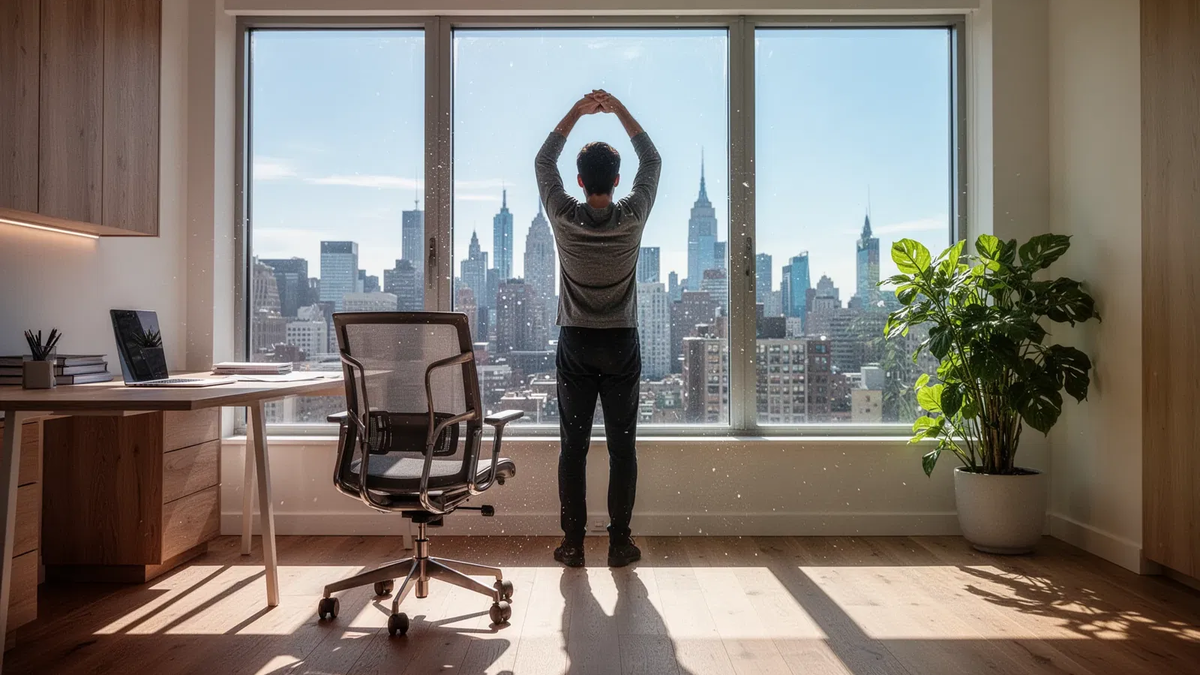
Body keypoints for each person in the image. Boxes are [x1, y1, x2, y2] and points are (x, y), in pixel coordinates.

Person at [534, 90, 661, 568]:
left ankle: (572, 544)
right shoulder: (631, 218)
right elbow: (652, 157)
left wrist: (576, 112)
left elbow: (544, 160)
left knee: (575, 448)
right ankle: (619, 543)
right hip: (621, 343)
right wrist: (620, 109)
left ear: (581, 181)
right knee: (622, 447)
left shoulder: (564, 218)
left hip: (576, 342)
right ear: (619, 179)